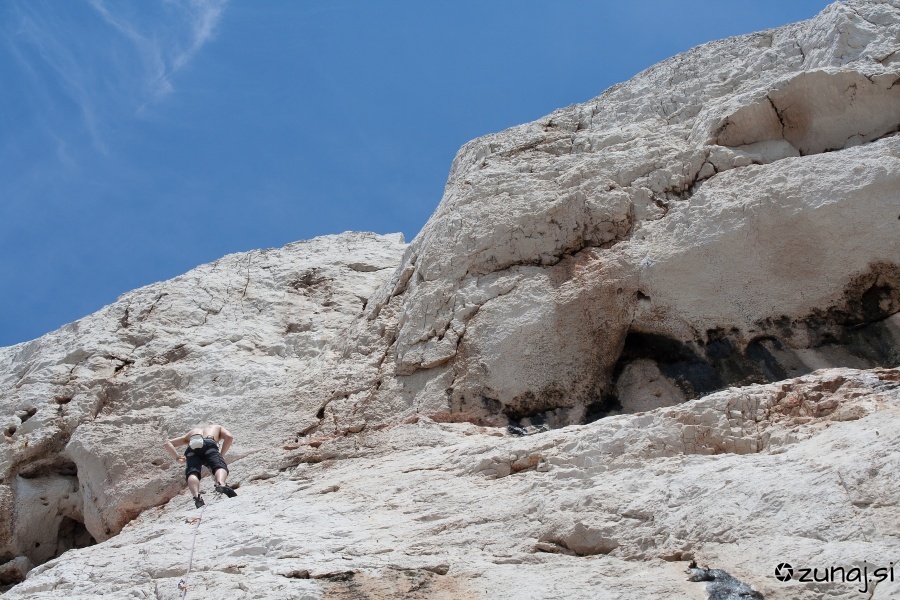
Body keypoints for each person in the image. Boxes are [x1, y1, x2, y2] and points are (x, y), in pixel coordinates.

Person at [164, 424, 237, 508]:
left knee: (193, 472)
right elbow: (229, 437)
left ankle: (196, 496)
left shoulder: (192, 433)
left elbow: (167, 443)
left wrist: (177, 458)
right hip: (209, 443)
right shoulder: (217, 427)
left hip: (192, 447)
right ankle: (221, 484)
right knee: (219, 466)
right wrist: (221, 455)